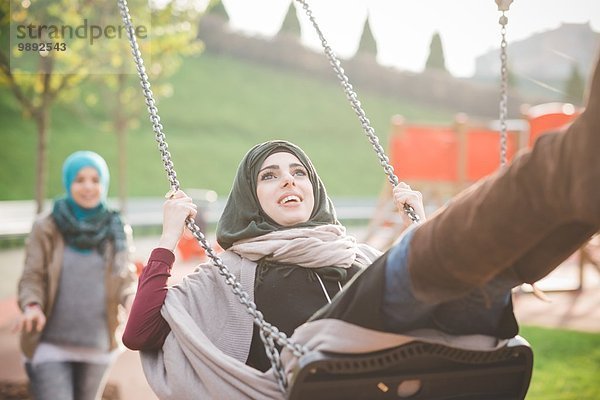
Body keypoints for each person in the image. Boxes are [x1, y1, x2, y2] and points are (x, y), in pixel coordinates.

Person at [124, 55, 600, 399]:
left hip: (392, 372)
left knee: (488, 275)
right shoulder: (228, 272)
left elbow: (428, 303)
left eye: (298, 172)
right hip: (313, 370)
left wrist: (421, 225)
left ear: (314, 189)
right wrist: (168, 237)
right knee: (444, 260)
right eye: (269, 175)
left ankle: (581, 181)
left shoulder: (351, 255)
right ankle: (574, 163)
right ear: (250, 198)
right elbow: (141, 333)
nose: (288, 180)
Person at [15, 151, 138, 400]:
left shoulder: (116, 228)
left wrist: (132, 300)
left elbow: (124, 278)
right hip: (49, 344)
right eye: (80, 179)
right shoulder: (46, 226)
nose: (88, 187)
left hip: (98, 345)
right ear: (68, 182)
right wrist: (32, 306)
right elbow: (32, 276)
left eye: (95, 180)